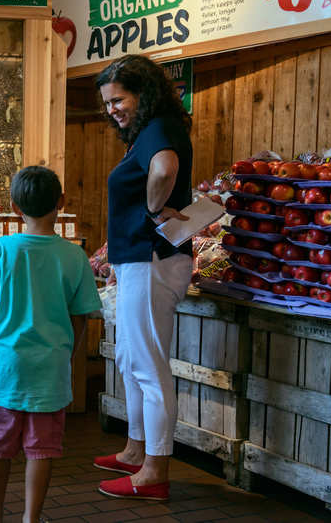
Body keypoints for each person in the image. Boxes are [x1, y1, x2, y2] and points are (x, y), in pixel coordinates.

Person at [0, 166, 101, 523]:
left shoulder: (1, 250)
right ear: (62, 203)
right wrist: (66, 354)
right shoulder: (73, 256)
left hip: (6, 364)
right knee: (42, 449)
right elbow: (81, 315)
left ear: (13, 207)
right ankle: (31, 518)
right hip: (51, 368)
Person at [93, 54, 193, 501]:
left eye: (118, 99)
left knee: (149, 368)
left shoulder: (158, 129)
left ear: (143, 93)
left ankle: (155, 470)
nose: (112, 108)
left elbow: (165, 169)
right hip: (139, 261)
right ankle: (136, 451)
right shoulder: (149, 132)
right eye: (107, 103)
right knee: (131, 361)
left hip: (152, 260)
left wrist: (153, 210)